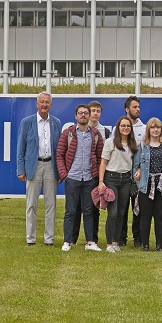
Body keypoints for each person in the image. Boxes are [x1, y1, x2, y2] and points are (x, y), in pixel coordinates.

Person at [57, 104, 105, 252]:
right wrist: (64, 175)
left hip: (89, 179)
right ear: (75, 116)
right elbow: (59, 154)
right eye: (80, 113)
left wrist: (96, 176)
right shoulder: (68, 133)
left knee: (89, 210)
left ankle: (90, 242)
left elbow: (100, 156)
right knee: (70, 211)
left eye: (86, 113)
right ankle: (68, 241)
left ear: (89, 115)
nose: (83, 115)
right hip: (72, 177)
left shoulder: (96, 134)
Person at [16, 92, 62, 246]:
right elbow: (20, 148)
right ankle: (31, 239)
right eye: (41, 102)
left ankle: (49, 239)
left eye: (47, 102)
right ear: (37, 104)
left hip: (50, 166)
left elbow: (59, 149)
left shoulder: (56, 123)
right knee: (31, 204)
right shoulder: (27, 122)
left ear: (51, 105)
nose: (44, 105)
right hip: (33, 166)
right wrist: (20, 169)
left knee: (51, 205)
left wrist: (60, 170)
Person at [133, 117, 162, 251]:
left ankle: (158, 245)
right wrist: (138, 177)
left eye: (157, 127)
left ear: (161, 129)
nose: (155, 130)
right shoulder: (142, 146)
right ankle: (145, 245)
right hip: (146, 185)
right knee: (145, 216)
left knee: (159, 216)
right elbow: (135, 166)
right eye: (152, 127)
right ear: (148, 130)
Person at [97, 116, 137, 252]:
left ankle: (115, 242)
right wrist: (101, 182)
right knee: (112, 213)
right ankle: (108, 244)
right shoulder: (109, 142)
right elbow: (103, 162)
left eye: (128, 126)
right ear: (118, 128)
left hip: (126, 180)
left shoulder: (132, 144)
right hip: (111, 178)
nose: (125, 128)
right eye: (123, 126)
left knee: (121, 213)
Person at [121, 96, 145, 247]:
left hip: (139, 175)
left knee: (139, 209)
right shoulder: (120, 127)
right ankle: (121, 238)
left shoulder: (145, 128)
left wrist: (141, 169)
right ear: (127, 109)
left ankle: (138, 238)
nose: (138, 109)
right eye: (134, 107)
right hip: (122, 174)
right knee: (122, 208)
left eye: (138, 107)